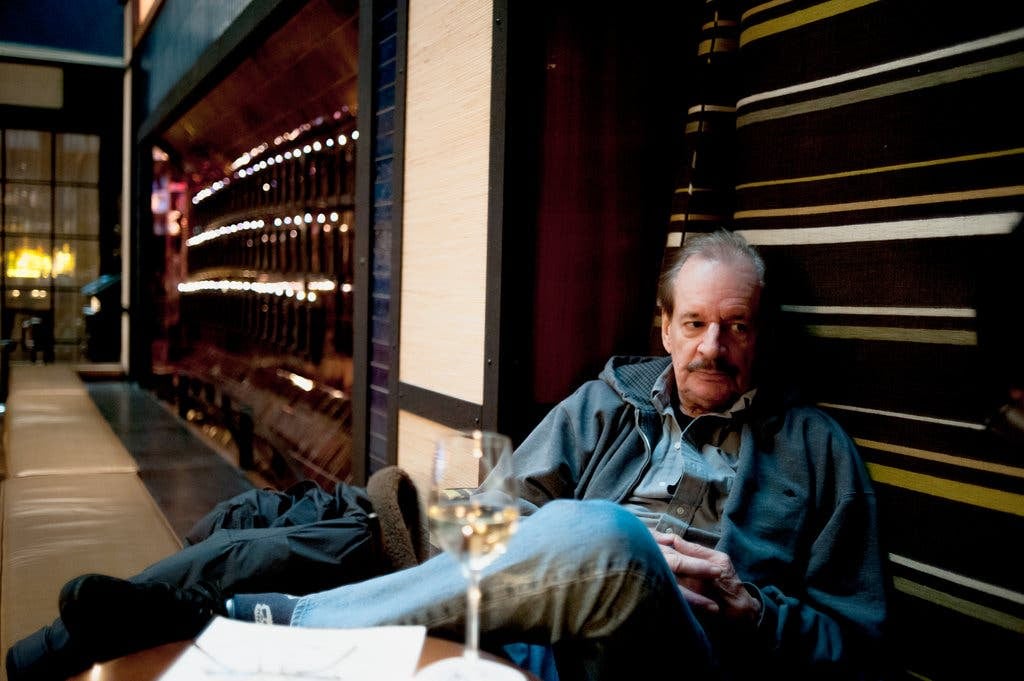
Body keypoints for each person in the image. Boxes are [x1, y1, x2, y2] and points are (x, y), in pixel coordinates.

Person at [11, 230, 889, 680]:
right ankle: (184, 620)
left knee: (610, 538)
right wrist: (583, 553)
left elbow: (859, 648)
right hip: (551, 630)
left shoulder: (817, 453)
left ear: (759, 335)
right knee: (289, 525)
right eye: (694, 323)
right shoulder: (605, 404)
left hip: (686, 654)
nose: (711, 345)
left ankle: (248, 619)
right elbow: (498, 520)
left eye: (734, 325)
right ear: (663, 327)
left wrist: (749, 606)